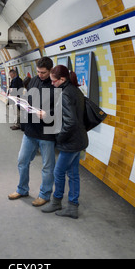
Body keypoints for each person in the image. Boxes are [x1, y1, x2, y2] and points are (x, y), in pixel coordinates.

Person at [41, 65, 88, 219]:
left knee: (58, 172)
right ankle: (73, 207)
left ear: (62, 79)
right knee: (73, 174)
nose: (52, 83)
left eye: (54, 81)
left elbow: (70, 122)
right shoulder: (75, 90)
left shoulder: (65, 93)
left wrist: (59, 138)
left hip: (70, 142)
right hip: (79, 139)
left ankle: (57, 202)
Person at [8, 57, 56, 207]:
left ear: (50, 71)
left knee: (47, 166)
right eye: (38, 71)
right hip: (30, 130)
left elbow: (61, 109)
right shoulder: (34, 80)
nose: (40, 75)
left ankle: (45, 194)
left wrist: (47, 113)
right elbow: (28, 98)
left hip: (47, 133)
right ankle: (22, 189)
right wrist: (22, 103)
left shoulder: (56, 85)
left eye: (43, 72)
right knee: (22, 161)